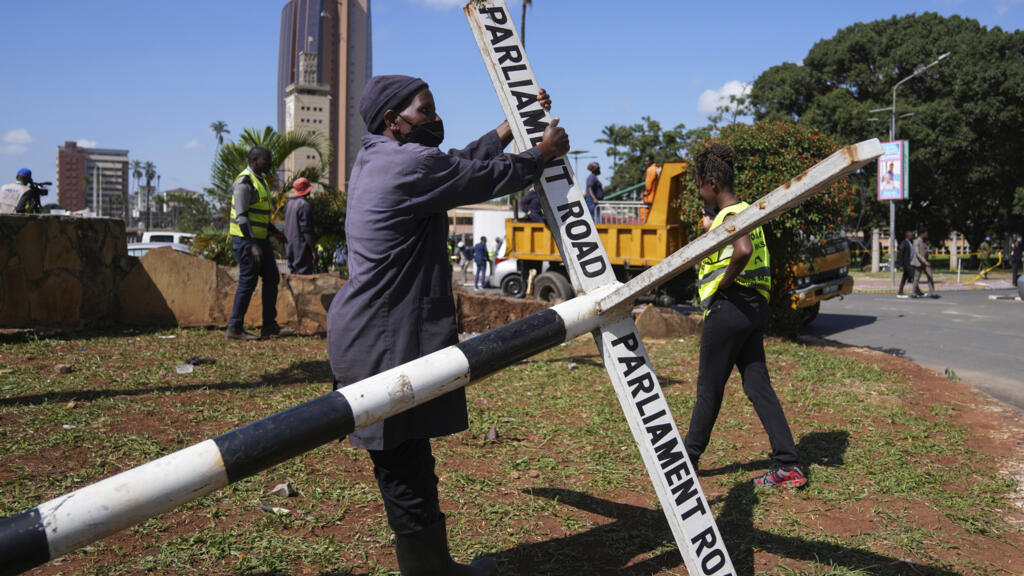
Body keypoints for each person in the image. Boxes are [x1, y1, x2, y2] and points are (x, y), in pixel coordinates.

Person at [326, 74, 569, 575]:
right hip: (381, 341)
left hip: (379, 334)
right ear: (394, 120)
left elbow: (458, 162)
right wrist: (539, 154)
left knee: (410, 459)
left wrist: (508, 128)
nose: (435, 118)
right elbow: (476, 176)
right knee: (402, 466)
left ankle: (436, 565)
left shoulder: (383, 157)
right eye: (426, 110)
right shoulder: (407, 165)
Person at [684, 143, 806, 489]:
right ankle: (788, 464)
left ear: (712, 183)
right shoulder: (749, 212)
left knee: (709, 388)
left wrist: (723, 284)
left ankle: (686, 459)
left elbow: (743, 250)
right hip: (754, 308)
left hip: (729, 306)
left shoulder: (730, 217)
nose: (698, 192)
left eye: (699, 185)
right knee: (757, 385)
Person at [226, 146, 292, 340]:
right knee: (248, 281)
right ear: (254, 160)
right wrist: (252, 244)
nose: (270, 163)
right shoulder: (244, 182)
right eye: (266, 160)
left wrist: (274, 233)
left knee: (272, 278)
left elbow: (260, 216)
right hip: (247, 241)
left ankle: (269, 324)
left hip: (261, 240)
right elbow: (242, 217)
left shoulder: (260, 181)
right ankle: (234, 328)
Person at [284, 177, 318, 274]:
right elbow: (306, 231)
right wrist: (313, 250)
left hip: (290, 247)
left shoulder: (289, 204)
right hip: (301, 249)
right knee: (303, 279)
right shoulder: (304, 205)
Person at [911, 229, 939, 298]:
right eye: (926, 233)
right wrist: (924, 261)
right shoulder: (917, 241)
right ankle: (913, 293)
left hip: (925, 262)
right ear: (922, 234)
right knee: (916, 278)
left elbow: (926, 252)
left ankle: (933, 293)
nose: (927, 235)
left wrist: (927, 261)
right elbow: (917, 253)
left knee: (930, 276)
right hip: (918, 262)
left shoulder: (925, 241)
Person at [896, 231, 917, 298]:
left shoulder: (910, 243)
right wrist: (900, 265)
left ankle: (900, 291)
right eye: (911, 235)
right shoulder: (904, 243)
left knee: (905, 277)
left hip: (910, 262)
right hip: (906, 263)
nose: (912, 236)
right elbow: (901, 255)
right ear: (908, 235)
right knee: (914, 276)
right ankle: (918, 291)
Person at [642, 154, 659, 223]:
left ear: (651, 161)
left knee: (644, 212)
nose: (646, 163)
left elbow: (648, 184)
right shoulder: (658, 168)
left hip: (650, 197)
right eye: (645, 161)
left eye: (647, 161)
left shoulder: (650, 170)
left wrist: (645, 194)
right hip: (657, 197)